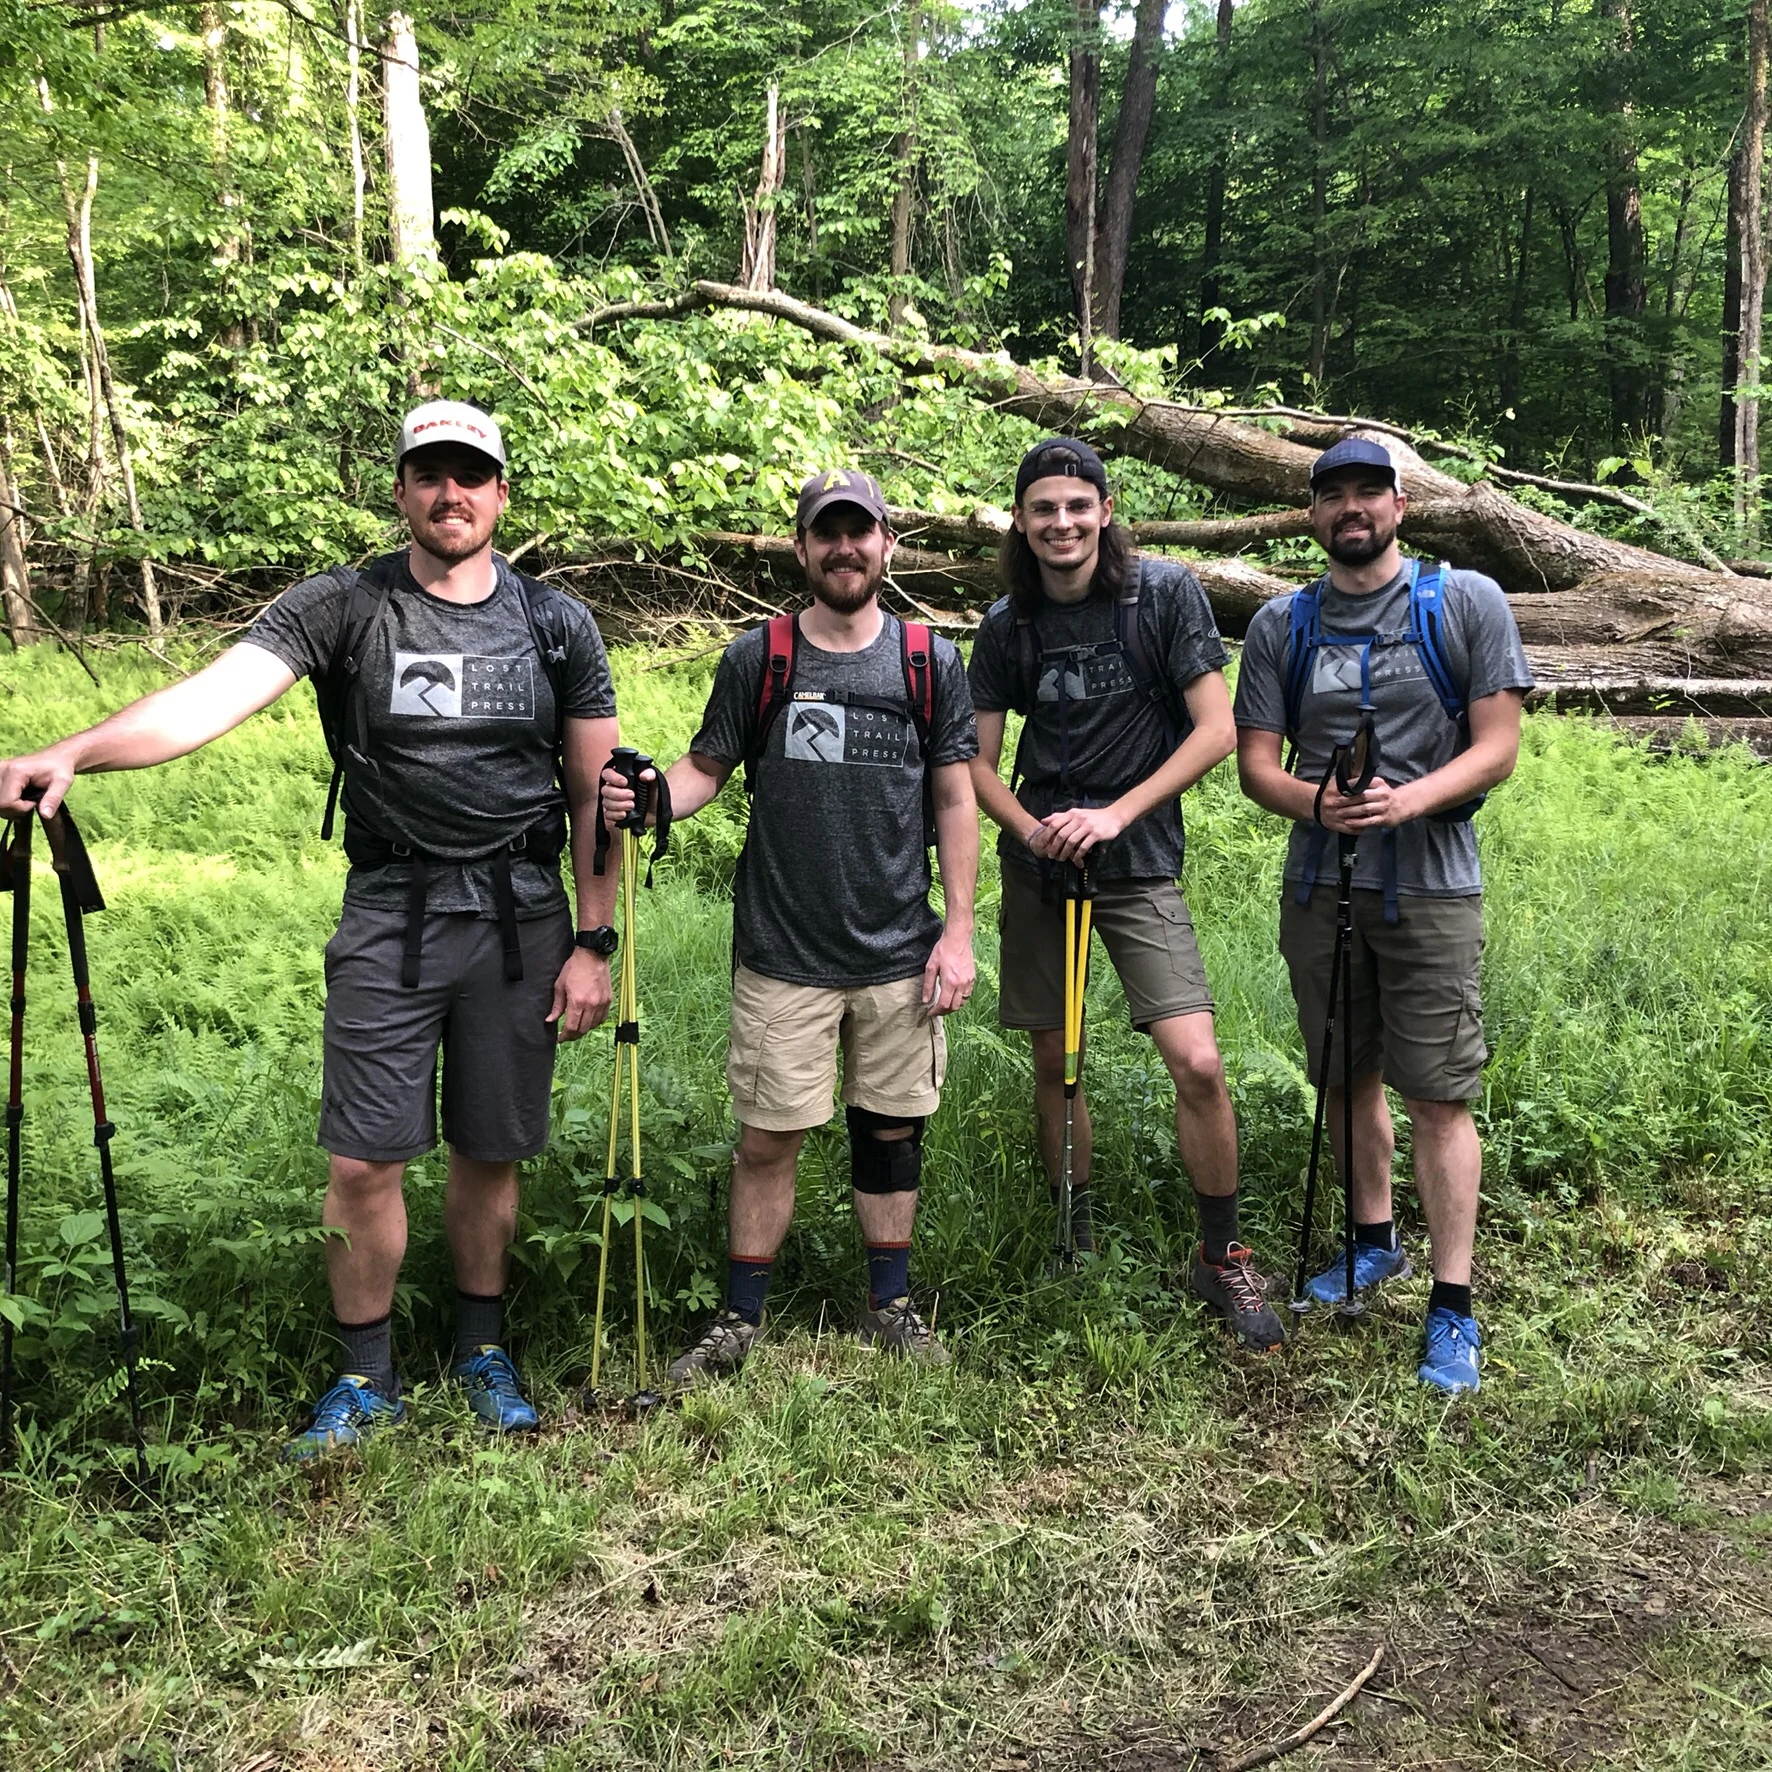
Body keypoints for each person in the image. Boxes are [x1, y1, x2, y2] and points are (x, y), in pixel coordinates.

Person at [0, 401, 622, 1455]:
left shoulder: (555, 623)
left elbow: (593, 793)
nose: (451, 493)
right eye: (430, 473)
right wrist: (72, 752)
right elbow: (210, 699)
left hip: (521, 917)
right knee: (362, 1160)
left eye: (471, 474)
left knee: (490, 1149)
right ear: (402, 489)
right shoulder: (344, 606)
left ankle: (482, 1352)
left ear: (501, 492)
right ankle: (365, 1374)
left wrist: (592, 943)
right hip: (389, 910)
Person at [600, 468, 978, 1379]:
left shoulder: (927, 661)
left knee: (892, 1133)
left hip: (900, 948)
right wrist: (650, 799)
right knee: (769, 1136)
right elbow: (705, 768)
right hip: (782, 950)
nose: (845, 548)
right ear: (802, 547)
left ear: (887, 544)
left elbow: (955, 797)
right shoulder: (759, 658)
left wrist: (959, 931)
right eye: (827, 533)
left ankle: (891, 1307)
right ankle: (738, 1320)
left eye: (861, 531)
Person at [967, 437, 1285, 1348]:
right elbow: (976, 763)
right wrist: (1031, 830)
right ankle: (1074, 1236)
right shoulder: (1007, 624)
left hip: (1137, 860)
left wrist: (1113, 815)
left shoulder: (1164, 594)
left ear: (1106, 512)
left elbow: (1215, 730)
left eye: (1078, 505)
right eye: (1043, 508)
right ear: (1020, 521)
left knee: (1197, 1059)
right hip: (1042, 865)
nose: (1061, 523)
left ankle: (1220, 1254)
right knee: (1055, 1058)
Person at [1232, 436, 1533, 1393]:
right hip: (1320, 886)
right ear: (1313, 514)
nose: (1351, 508)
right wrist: (1317, 805)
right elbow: (1256, 766)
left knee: (1438, 1094)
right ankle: (1372, 1240)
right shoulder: (1281, 626)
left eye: (1371, 491)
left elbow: (1497, 745)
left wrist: (1408, 800)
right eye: (1334, 495)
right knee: (1343, 1076)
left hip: (1433, 883)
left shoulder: (1464, 602)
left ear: (1401, 506)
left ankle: (1453, 1304)